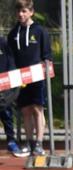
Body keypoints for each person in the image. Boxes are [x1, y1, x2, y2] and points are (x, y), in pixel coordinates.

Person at [7, 0, 50, 157]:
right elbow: (10, 58)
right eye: (19, 11)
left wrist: (44, 69)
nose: (21, 14)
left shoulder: (40, 31)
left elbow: (47, 55)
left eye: (24, 11)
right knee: (25, 110)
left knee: (37, 109)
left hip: (37, 76)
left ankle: (39, 143)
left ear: (31, 12)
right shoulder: (13, 34)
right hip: (20, 77)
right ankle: (30, 143)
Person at [0, 35, 25, 157]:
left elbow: (11, 62)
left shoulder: (4, 43)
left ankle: (11, 142)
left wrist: (11, 82)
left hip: (4, 87)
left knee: (6, 114)